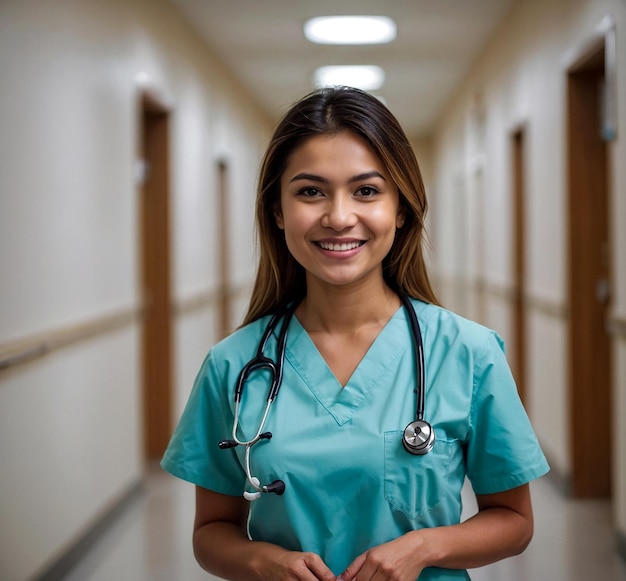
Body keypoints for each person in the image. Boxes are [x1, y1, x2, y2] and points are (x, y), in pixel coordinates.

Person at [161, 86, 549, 581]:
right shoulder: (233, 365)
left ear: (402, 209)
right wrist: (261, 560)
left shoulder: (468, 353)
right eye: (310, 191)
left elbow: (514, 521)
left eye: (366, 191)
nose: (339, 217)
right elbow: (212, 530)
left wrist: (424, 548)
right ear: (278, 211)